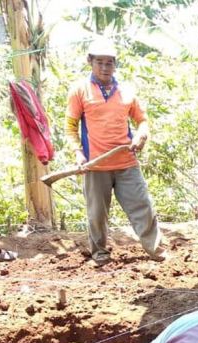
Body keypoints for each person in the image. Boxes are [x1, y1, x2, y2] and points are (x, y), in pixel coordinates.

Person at [66, 37, 164, 267]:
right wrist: (78, 153)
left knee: (142, 205)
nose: (104, 67)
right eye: (99, 62)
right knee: (97, 214)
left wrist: (141, 135)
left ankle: (156, 249)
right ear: (90, 62)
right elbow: (70, 126)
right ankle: (99, 253)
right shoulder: (80, 90)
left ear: (115, 64)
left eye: (109, 62)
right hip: (95, 163)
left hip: (126, 161)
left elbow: (142, 120)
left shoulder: (126, 91)